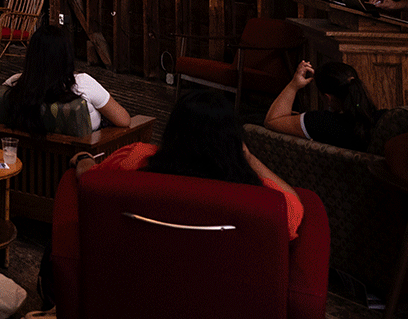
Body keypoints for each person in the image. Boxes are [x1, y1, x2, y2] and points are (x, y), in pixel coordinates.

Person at [74, 89, 303, 239]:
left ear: (172, 130)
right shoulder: (259, 198)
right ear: (233, 139)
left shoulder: (133, 157)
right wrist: (248, 157)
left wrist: (83, 159)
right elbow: (296, 208)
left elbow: (90, 182)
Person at [1, 24, 129, 133]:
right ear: (66, 55)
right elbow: (124, 120)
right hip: (81, 158)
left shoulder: (13, 84)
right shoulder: (82, 84)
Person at [263, 60, 380, 151]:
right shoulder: (381, 118)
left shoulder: (321, 122)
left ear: (327, 98)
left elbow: (272, 120)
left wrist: (294, 85)